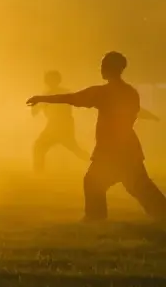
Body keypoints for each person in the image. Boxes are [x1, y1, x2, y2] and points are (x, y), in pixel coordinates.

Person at [27, 52, 166, 221]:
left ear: (111, 68)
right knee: (140, 187)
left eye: (103, 65)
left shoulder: (104, 92)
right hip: (128, 147)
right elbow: (133, 114)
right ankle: (158, 215)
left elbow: (72, 98)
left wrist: (42, 98)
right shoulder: (130, 92)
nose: (100, 68)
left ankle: (95, 218)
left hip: (111, 149)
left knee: (94, 182)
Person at [31, 70, 88, 172]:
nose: (47, 82)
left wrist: (36, 107)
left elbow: (39, 107)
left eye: (49, 79)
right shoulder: (59, 92)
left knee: (39, 147)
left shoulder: (52, 94)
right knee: (74, 148)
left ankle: (38, 173)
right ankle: (95, 162)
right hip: (63, 124)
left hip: (57, 125)